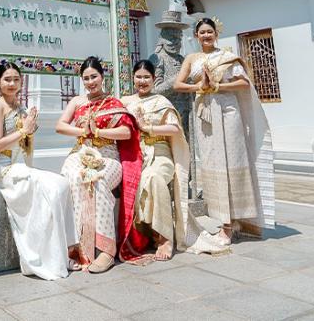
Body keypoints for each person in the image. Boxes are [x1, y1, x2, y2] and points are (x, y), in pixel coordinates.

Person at [173, 17, 273, 249]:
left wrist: (218, 86)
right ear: (196, 36)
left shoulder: (227, 57)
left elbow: (243, 84)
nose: (206, 35)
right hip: (205, 114)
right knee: (213, 163)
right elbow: (178, 84)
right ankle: (224, 220)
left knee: (233, 161)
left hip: (228, 111)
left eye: (210, 31)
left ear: (216, 34)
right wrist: (199, 87)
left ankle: (233, 223)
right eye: (202, 32)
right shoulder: (192, 58)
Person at [0, 61, 79, 279]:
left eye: (16, 79)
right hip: (3, 167)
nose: (12, 83)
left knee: (61, 185)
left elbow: (25, 144)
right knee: (49, 188)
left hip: (21, 166)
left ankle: (63, 251)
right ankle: (42, 256)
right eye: (7, 79)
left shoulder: (22, 108)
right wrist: (24, 130)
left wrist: (29, 127)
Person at [57, 57, 146, 272]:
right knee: (73, 178)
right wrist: (84, 132)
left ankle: (106, 250)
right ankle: (77, 247)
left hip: (108, 155)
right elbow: (60, 126)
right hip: (81, 151)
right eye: (86, 78)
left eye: (94, 77)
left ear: (102, 76)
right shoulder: (77, 102)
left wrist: (98, 132)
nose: (90, 82)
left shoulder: (114, 103)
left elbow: (126, 132)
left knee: (98, 180)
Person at [121, 59, 189, 261]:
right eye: (138, 77)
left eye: (146, 77)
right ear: (133, 78)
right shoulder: (126, 102)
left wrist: (148, 128)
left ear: (153, 79)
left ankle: (165, 236)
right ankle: (146, 232)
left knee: (152, 177)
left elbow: (174, 128)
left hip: (159, 152)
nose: (142, 81)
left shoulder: (161, 102)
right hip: (135, 154)